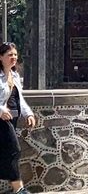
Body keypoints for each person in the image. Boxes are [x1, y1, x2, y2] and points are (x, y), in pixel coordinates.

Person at [0, 43, 35, 193]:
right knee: (14, 150)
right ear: (0, 57)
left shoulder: (14, 75)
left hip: (11, 118)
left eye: (15, 54)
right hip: (1, 119)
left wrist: (29, 113)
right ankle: (18, 189)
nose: (13, 57)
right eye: (9, 55)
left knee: (4, 152)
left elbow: (19, 97)